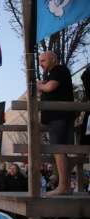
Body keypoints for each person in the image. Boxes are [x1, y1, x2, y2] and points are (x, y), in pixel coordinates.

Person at [37, 51, 74, 195]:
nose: (41, 64)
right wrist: (42, 86)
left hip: (59, 117)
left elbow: (50, 87)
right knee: (58, 151)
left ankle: (63, 186)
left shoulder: (59, 69)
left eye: (43, 60)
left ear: (53, 59)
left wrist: (39, 85)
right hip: (54, 118)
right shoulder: (51, 73)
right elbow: (46, 91)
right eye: (40, 61)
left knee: (59, 150)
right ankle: (62, 183)